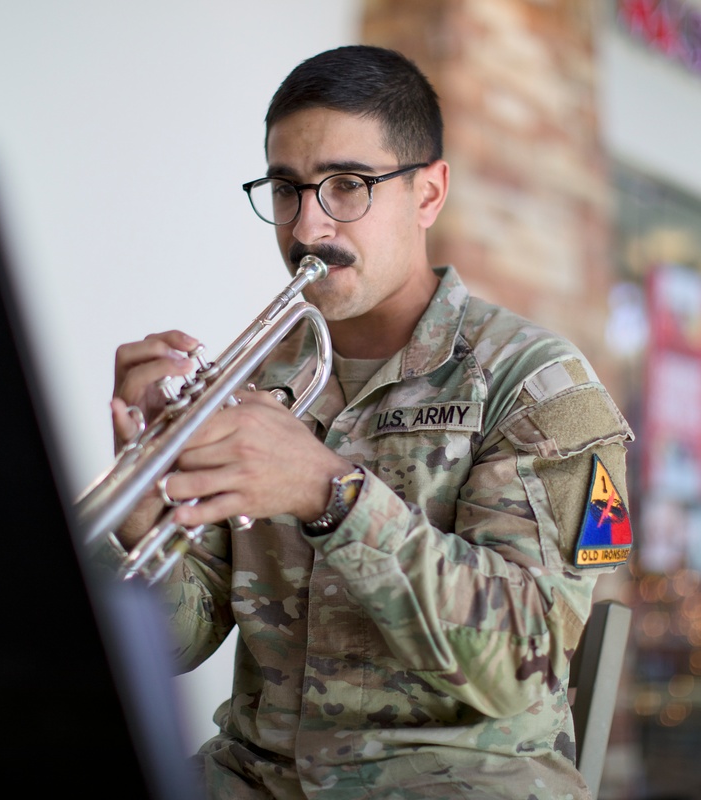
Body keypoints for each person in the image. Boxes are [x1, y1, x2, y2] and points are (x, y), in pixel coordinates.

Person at [102, 45, 634, 799]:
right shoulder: (253, 384)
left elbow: (527, 659)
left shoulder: (536, 385)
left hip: (461, 779)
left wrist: (334, 495)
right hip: (257, 775)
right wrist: (142, 523)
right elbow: (178, 643)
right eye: (286, 189)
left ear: (428, 193)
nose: (308, 226)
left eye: (347, 186)